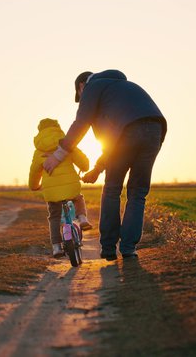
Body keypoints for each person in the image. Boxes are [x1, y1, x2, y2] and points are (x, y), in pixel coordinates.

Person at [43, 70, 167, 260]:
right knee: (138, 192)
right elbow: (111, 142)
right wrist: (98, 169)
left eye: (80, 94)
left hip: (128, 133)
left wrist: (58, 156)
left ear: (82, 86)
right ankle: (128, 249)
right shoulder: (122, 88)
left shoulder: (92, 87)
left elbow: (81, 123)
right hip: (155, 130)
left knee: (112, 190)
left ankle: (109, 248)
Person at [29, 118, 93, 258]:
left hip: (52, 192)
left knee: (54, 217)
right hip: (71, 186)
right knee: (78, 198)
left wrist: (34, 186)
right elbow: (84, 163)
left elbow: (34, 172)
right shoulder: (66, 144)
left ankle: (56, 247)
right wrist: (84, 167)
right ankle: (82, 219)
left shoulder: (38, 151)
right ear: (57, 128)